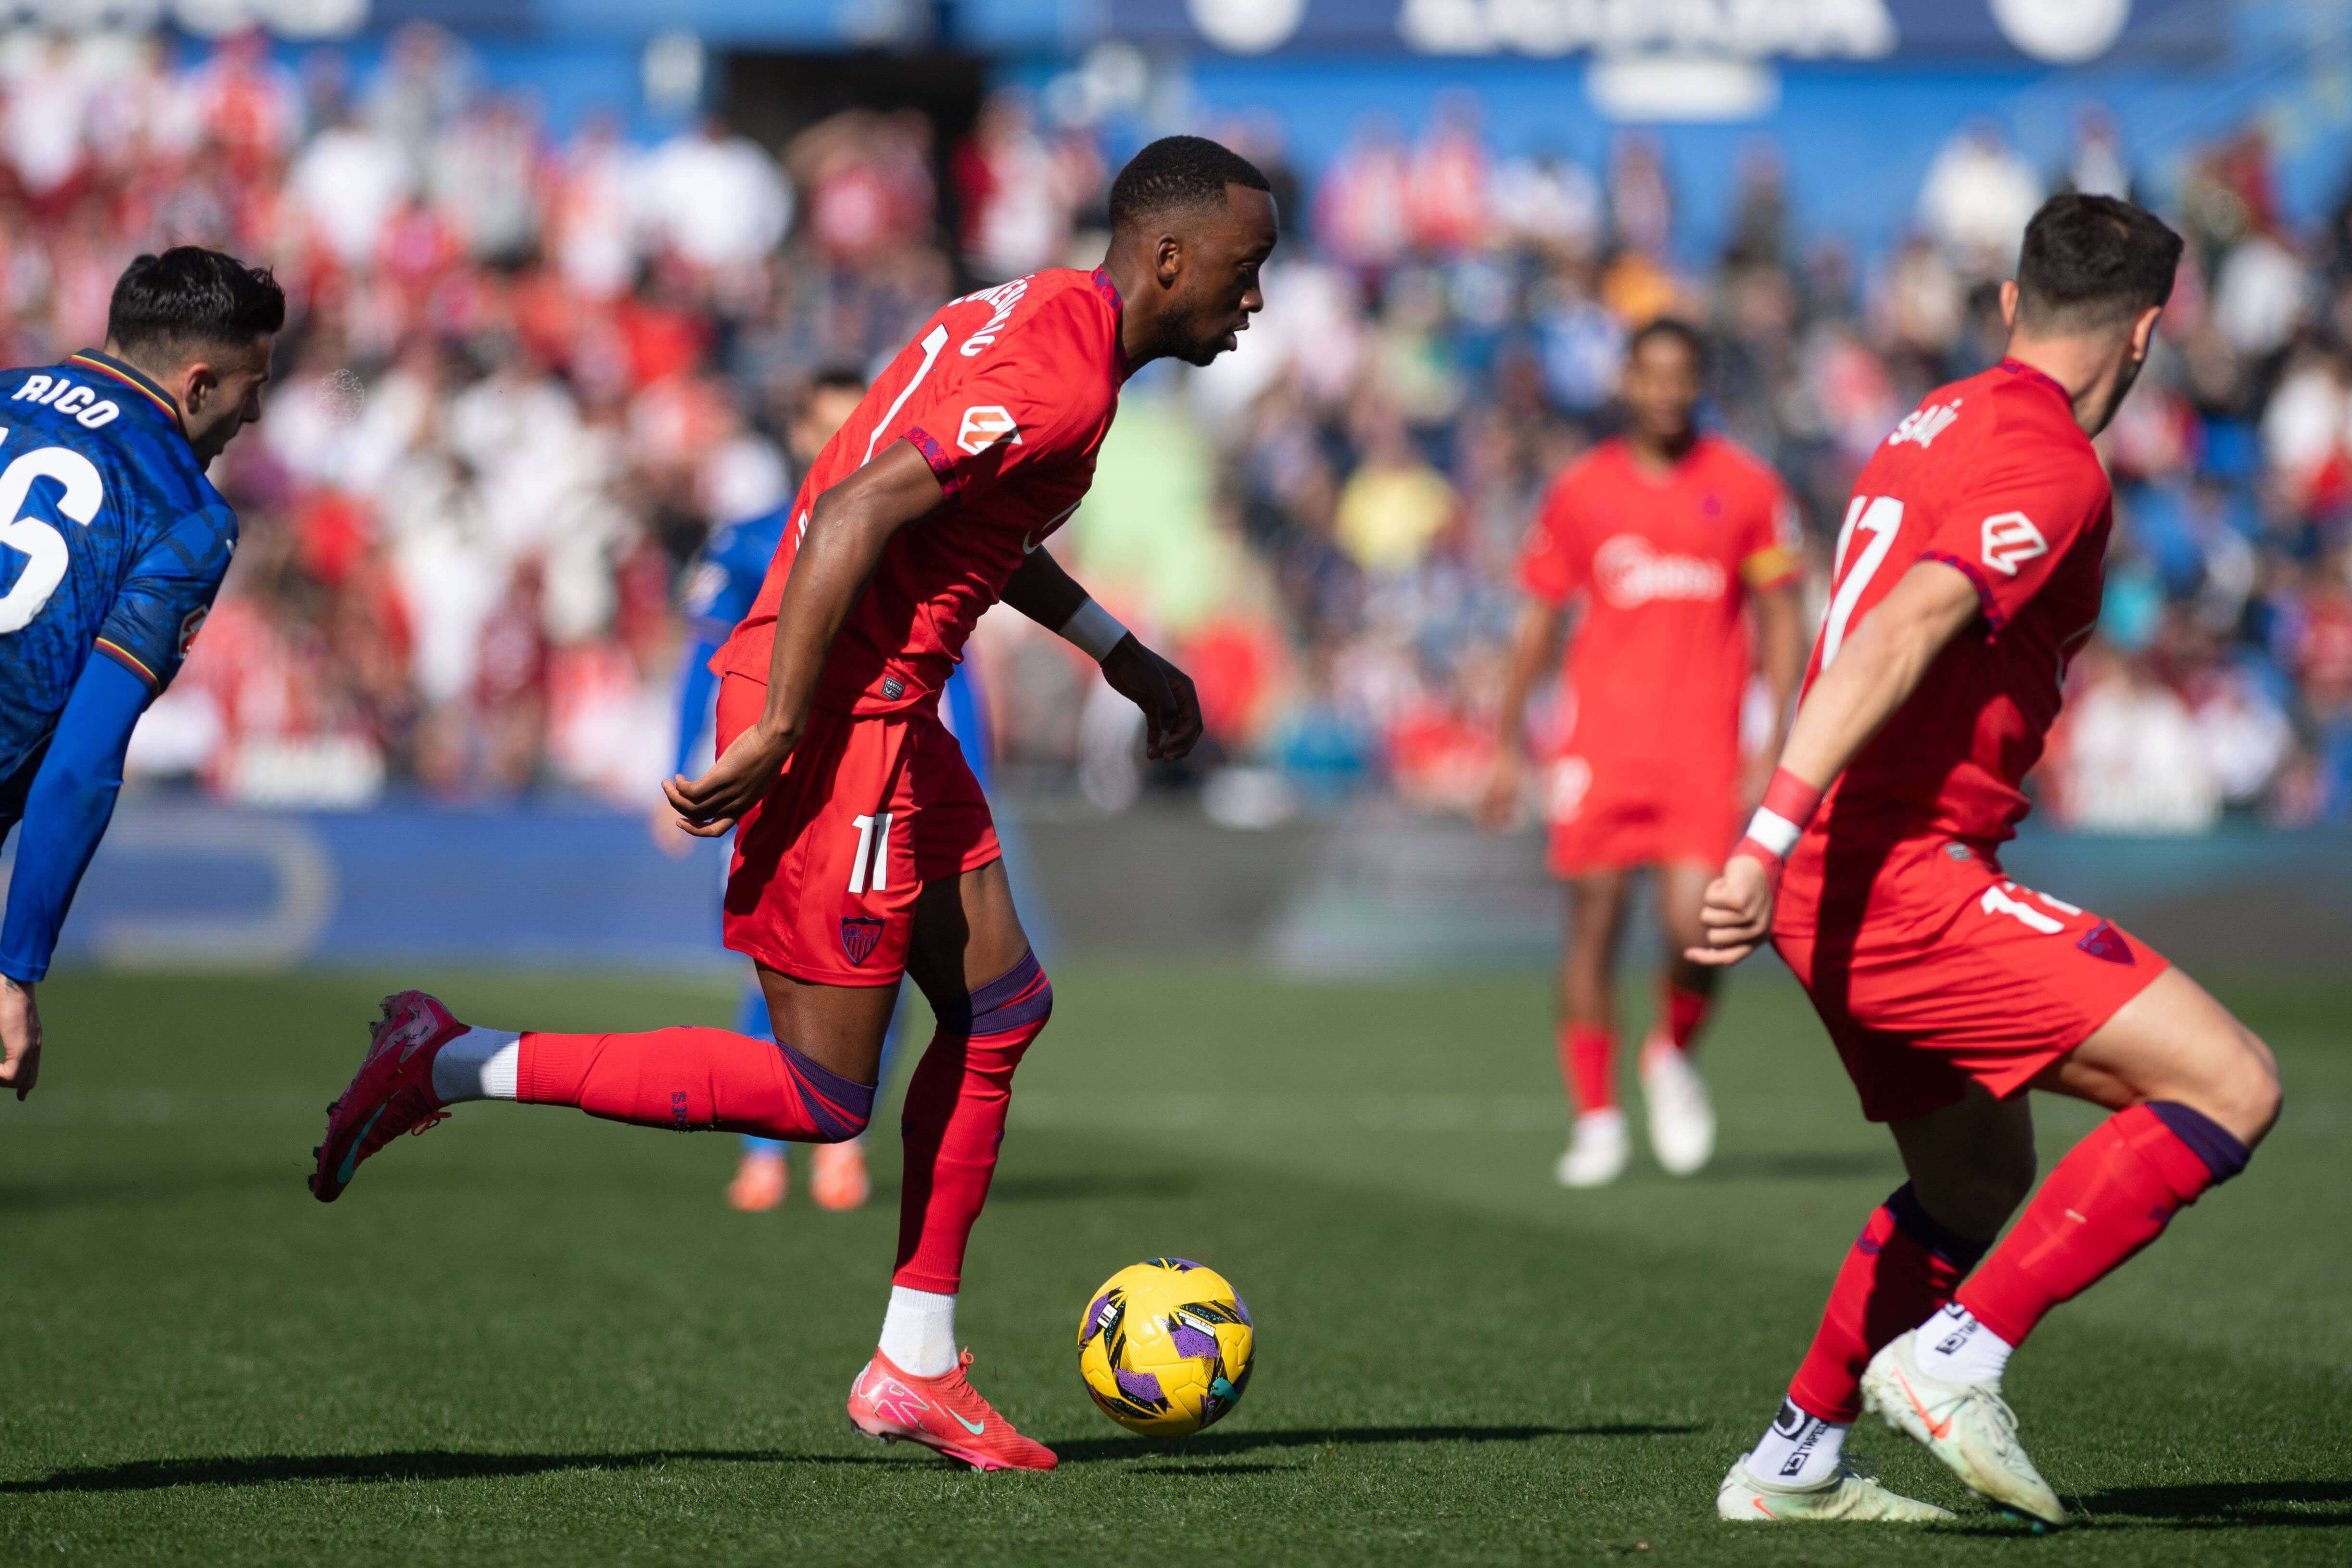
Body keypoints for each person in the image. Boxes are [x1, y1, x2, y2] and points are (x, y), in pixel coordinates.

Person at [308, 136, 1279, 1473]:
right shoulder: (1059, 374)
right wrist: (781, 724)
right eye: (1244, 270)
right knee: (821, 1093)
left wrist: (1115, 649)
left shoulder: (1024, 313)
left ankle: (917, 1362)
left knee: (1003, 1007)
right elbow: (845, 520)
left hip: (875, 703)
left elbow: (960, 526)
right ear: (1169, 257)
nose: (1254, 301)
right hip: (841, 714)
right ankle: (449, 1057)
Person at [1699, 195, 2278, 1524]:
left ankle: (1793, 1458)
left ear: (2012, 305)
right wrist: (1767, 824)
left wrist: (1776, 842)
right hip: (1893, 870)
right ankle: (1957, 1355)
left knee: (1973, 1179)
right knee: (2228, 1082)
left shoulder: (1936, 418)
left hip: (1836, 876)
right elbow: (1903, 627)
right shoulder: (2055, 462)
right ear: (2145, 334)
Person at [1482, 319, 1805, 1187]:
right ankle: (1595, 1118)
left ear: (1697, 382)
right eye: (1649, 374)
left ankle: (1670, 1054)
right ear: (1625, 380)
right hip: (1600, 745)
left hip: (1703, 745)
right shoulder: (1582, 491)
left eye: (1680, 376)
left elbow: (1780, 614)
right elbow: (1537, 620)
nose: (1664, 391)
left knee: (1698, 927)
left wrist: (1774, 739)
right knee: (1591, 921)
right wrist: (1507, 746)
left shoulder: (1744, 487)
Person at [0, 248, 282, 1101]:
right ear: (198, 385)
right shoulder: (185, 516)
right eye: (251, 385)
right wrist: (17, 969)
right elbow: (82, 765)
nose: (256, 414)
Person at [660, 366, 886, 1214]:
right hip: (767, 783)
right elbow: (701, 663)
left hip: (867, 784)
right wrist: (684, 767)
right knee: (775, 977)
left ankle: (841, 1138)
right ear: (798, 435)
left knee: (872, 971)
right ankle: (765, 1150)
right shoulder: (752, 540)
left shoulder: (893, 526)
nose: (842, 442)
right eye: (826, 426)